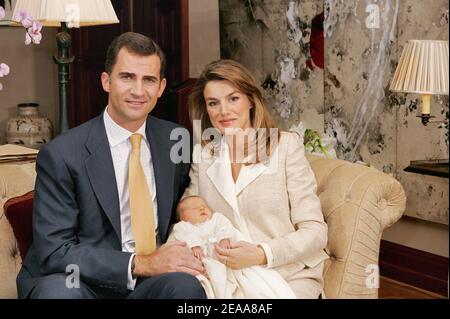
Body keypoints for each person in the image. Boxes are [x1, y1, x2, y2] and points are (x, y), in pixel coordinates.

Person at [16, 32, 206, 299]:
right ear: (106, 81)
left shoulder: (176, 139)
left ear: (161, 87)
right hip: (78, 281)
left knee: (185, 287)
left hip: (147, 283)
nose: (138, 91)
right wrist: (142, 263)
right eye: (127, 77)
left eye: (149, 80)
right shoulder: (61, 153)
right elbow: (56, 252)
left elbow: (189, 204)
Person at [185, 59, 329, 299]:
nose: (223, 111)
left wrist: (262, 253)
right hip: (227, 278)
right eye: (213, 103)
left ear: (251, 100)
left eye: (233, 98)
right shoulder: (203, 156)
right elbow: (188, 215)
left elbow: (315, 231)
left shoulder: (285, 147)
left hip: (288, 274)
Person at [168, 195, 297, 299]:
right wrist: (194, 246)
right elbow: (184, 236)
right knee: (208, 281)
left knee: (244, 282)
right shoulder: (183, 227)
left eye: (204, 206)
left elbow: (224, 226)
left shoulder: (215, 219)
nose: (201, 208)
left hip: (226, 259)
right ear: (182, 217)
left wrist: (224, 238)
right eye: (194, 208)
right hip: (204, 263)